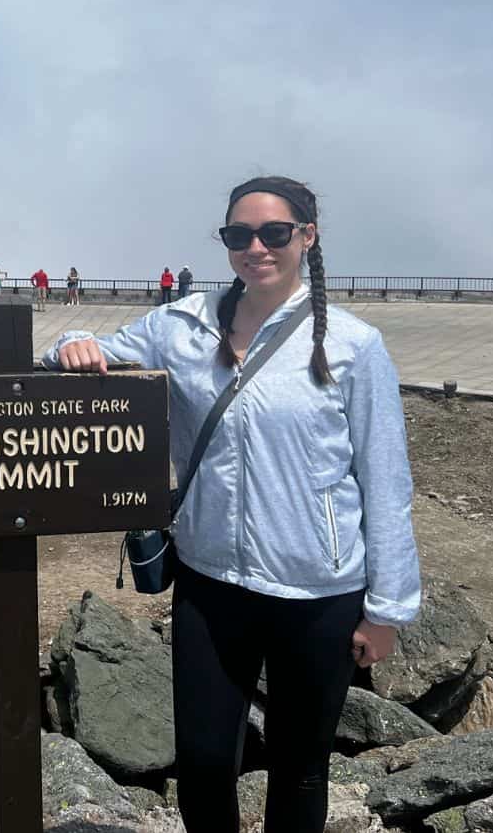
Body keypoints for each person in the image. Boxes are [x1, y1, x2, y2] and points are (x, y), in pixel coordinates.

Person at [46, 176, 421, 833]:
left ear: (307, 236)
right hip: (211, 586)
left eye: (274, 233)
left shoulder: (354, 345)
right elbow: (88, 352)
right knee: (204, 761)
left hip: (321, 596)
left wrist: (387, 610)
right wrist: (70, 340)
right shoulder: (182, 326)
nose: (256, 248)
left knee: (301, 767)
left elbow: (386, 485)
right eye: (238, 235)